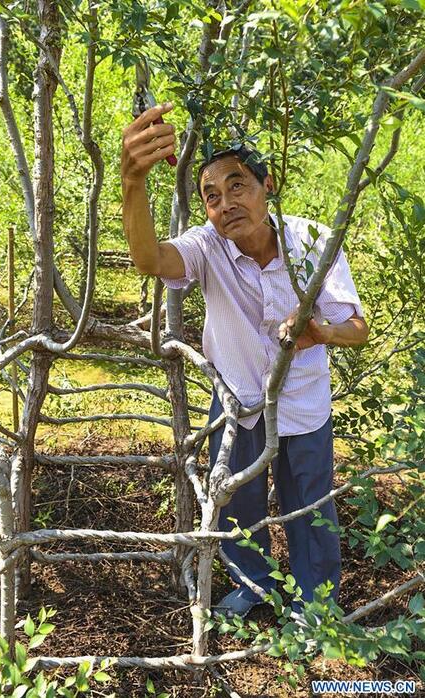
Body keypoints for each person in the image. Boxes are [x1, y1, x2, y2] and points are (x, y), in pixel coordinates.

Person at [121, 102, 369, 620]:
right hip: (235, 400)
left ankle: (314, 606)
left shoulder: (312, 242)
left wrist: (320, 331)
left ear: (267, 184)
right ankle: (255, 588)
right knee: (237, 501)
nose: (226, 204)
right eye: (211, 196)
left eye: (238, 186)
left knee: (309, 506)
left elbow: (358, 329)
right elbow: (150, 260)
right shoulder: (208, 247)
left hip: (303, 402)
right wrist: (133, 183)